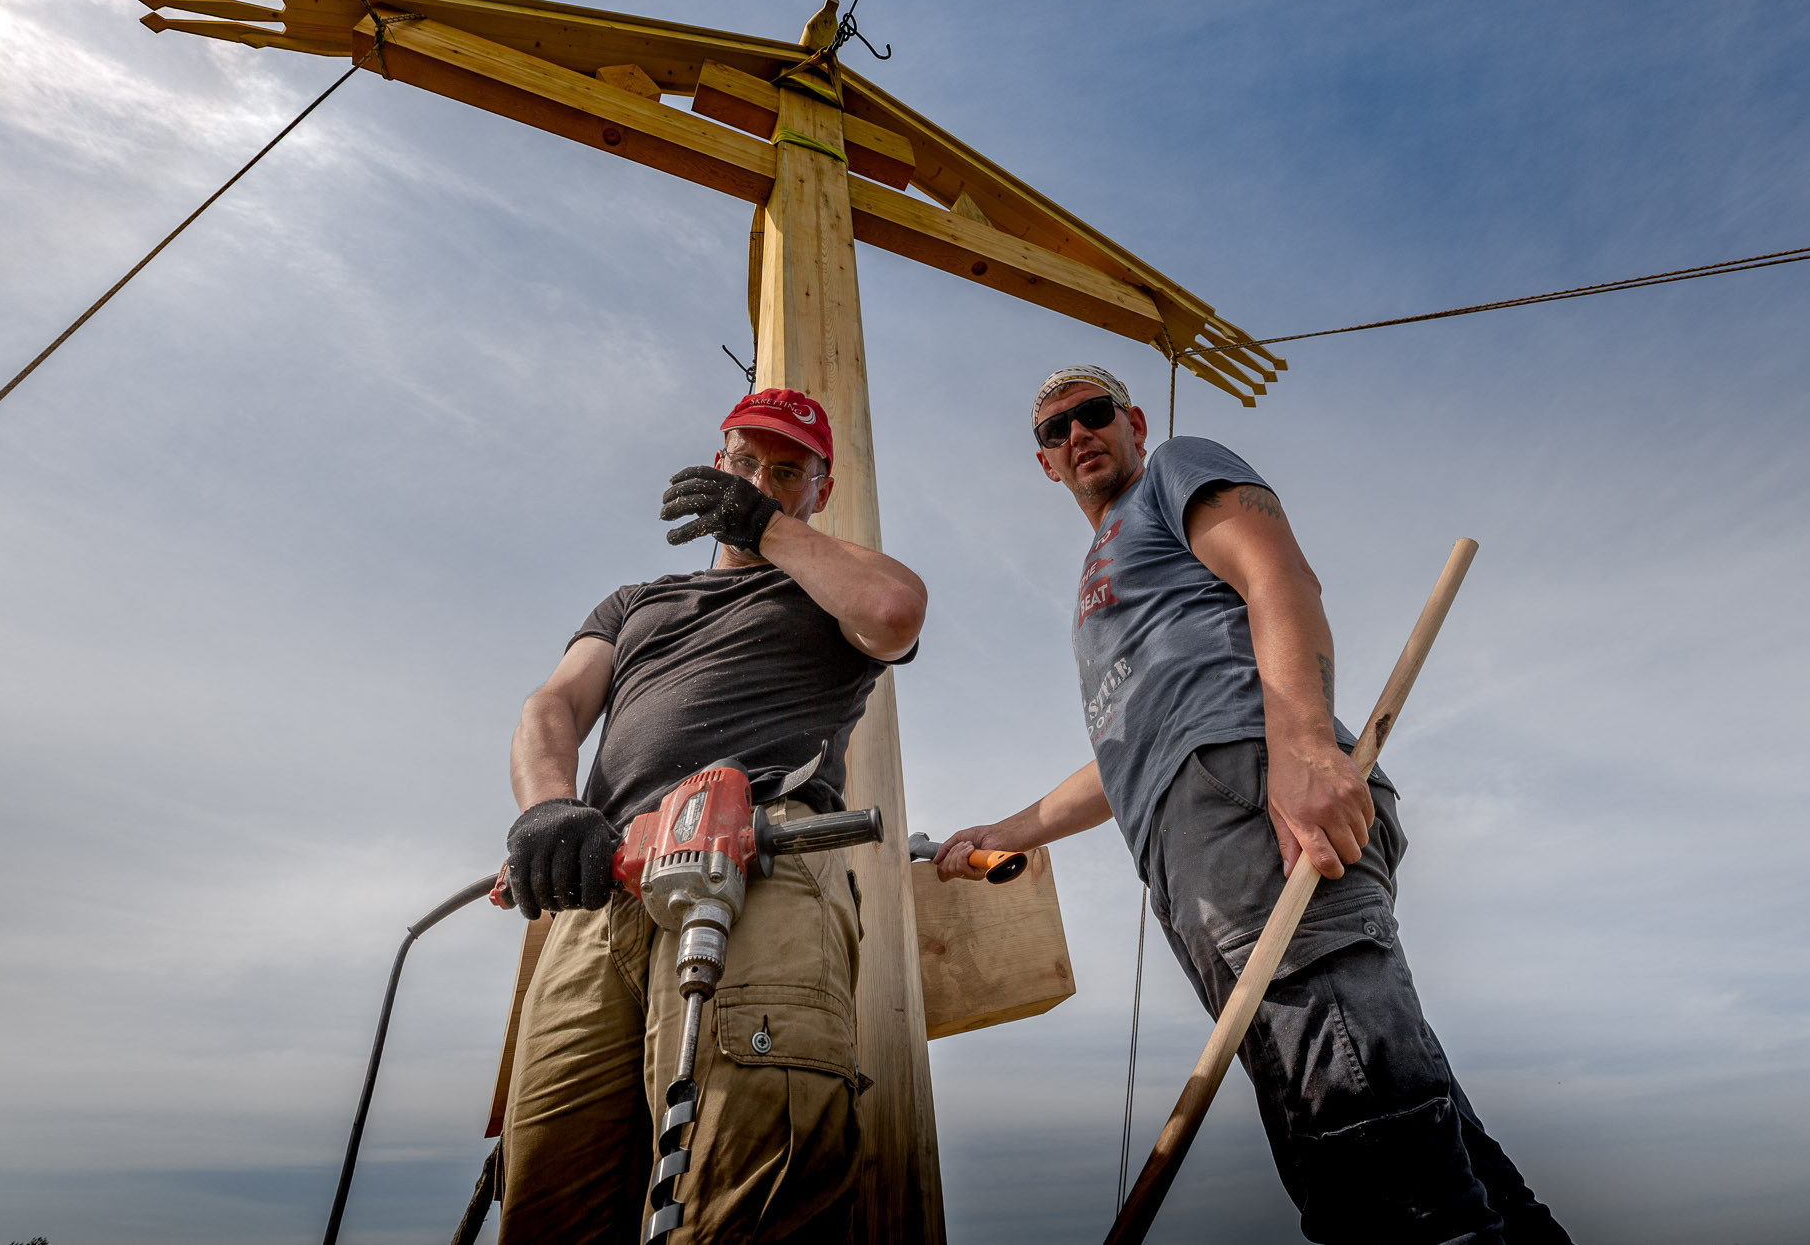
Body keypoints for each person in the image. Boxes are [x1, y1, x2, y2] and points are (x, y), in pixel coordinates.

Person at [934, 366, 1566, 1244]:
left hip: (1254, 804)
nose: (1077, 433)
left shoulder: (1174, 472)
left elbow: (1279, 576)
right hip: (1198, 840)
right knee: (1419, 1127)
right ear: (1043, 461)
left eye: (1092, 413)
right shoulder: (1101, 575)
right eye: (1054, 429)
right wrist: (1016, 827)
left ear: (1134, 420)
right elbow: (1128, 752)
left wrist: (1305, 744)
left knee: (1367, 1148)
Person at [491, 387, 925, 1244]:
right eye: (745, 461)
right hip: (604, 882)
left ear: (819, 490)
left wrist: (767, 527)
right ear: (717, 458)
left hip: (757, 857)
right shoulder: (637, 602)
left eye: (787, 470)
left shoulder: (827, 591)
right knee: (548, 1194)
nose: (761, 479)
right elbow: (552, 706)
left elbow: (894, 610)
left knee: (747, 1183)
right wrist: (547, 808)